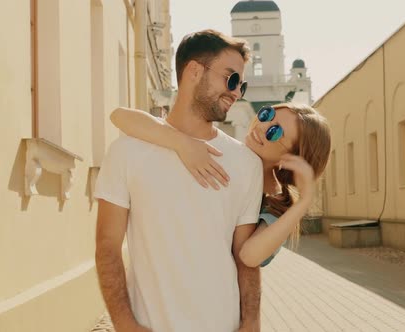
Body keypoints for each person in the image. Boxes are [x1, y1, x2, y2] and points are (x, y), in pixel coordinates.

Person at [94, 29, 263, 332]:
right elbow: (107, 246)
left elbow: (245, 256)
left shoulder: (246, 164)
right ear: (195, 71)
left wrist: (251, 321)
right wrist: (124, 324)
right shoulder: (127, 152)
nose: (237, 92)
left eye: (242, 84)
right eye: (231, 79)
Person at [110, 101, 332, 268]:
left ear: (292, 158)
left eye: (275, 132)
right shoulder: (218, 148)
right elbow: (120, 116)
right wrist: (180, 142)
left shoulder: (278, 204)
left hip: (217, 302)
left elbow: (249, 256)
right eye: (267, 115)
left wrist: (303, 203)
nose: (262, 127)